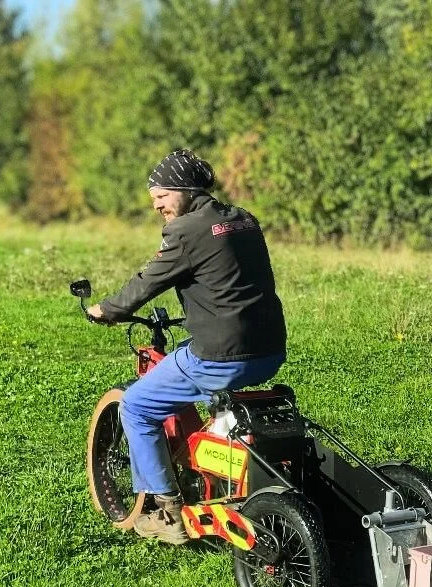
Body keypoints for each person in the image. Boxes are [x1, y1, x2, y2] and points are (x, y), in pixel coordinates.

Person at [88, 148, 286, 544]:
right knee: (189, 368)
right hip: (269, 349)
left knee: (137, 405)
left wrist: (107, 309)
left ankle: (169, 514)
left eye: (162, 195)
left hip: (221, 356)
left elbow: (148, 281)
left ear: (185, 190)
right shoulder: (243, 219)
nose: (157, 205)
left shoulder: (186, 231)